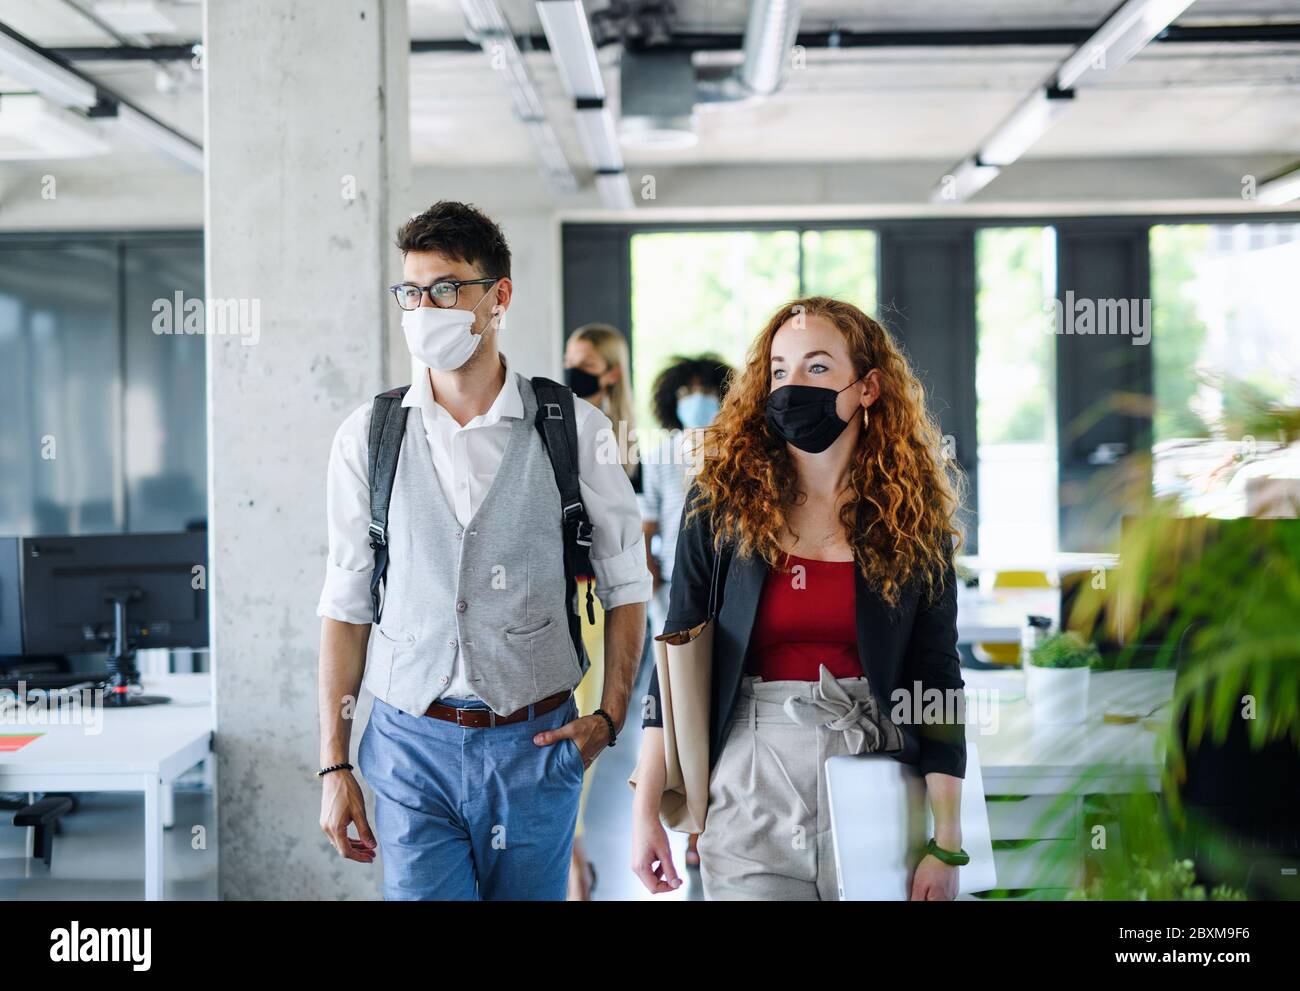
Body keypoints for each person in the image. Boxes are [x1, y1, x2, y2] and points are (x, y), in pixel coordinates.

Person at [316, 201, 650, 900]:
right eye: (411, 291)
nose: (423, 307)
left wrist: (611, 717)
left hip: (535, 746)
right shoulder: (368, 437)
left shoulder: (571, 428)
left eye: (445, 288)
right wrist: (334, 765)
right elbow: (346, 607)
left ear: (498, 296)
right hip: (410, 745)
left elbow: (627, 583)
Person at [629, 295, 968, 901]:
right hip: (752, 772)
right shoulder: (720, 503)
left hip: (878, 773)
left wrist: (946, 838)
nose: (792, 386)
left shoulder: (912, 518)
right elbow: (675, 662)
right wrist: (646, 810)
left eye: (816, 368)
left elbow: (937, 677)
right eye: (779, 371)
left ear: (867, 387)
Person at [639, 353, 732, 868]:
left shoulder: (735, 450)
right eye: (686, 392)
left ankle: (708, 824)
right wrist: (649, 573)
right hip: (675, 595)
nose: (696, 401)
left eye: (706, 391)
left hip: (724, 588)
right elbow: (648, 520)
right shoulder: (658, 454)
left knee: (717, 698)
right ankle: (685, 819)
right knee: (677, 701)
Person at [560, 322, 640, 899]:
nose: (572, 369)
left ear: (610, 371)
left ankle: (575, 849)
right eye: (570, 359)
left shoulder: (617, 436)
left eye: (584, 361)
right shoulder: (556, 423)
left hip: (598, 598)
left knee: (586, 728)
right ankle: (573, 850)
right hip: (563, 593)